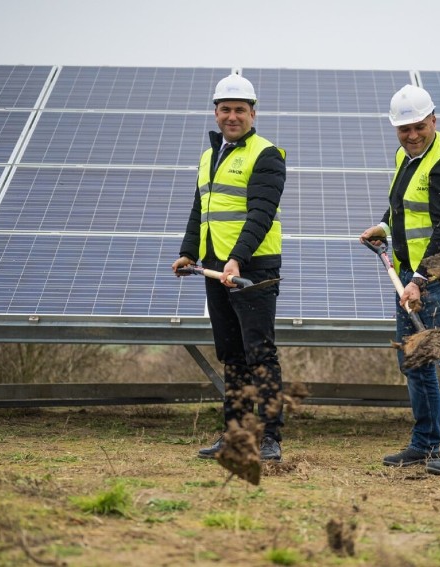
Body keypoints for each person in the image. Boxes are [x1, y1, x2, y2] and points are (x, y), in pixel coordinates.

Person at [360, 84, 440, 476]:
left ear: (434, 120)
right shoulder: (407, 156)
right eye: (403, 129)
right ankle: (425, 443)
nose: (411, 135)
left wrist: (417, 280)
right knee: (416, 361)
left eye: (418, 127)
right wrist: (382, 226)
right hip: (417, 278)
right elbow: (402, 205)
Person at [172, 74, 286, 462]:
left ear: (253, 113)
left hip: (253, 267)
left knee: (260, 354)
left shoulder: (267, 155)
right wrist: (189, 252)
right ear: (216, 113)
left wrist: (237, 257)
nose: (232, 116)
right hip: (215, 266)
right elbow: (200, 208)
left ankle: (270, 438)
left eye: (240, 110)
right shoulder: (209, 156)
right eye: (226, 109)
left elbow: (261, 214)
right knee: (232, 355)